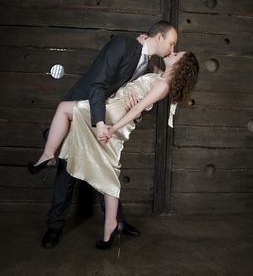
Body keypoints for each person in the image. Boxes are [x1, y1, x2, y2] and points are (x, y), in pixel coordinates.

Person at [28, 21, 178, 248]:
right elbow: (97, 85)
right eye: (172, 43)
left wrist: (132, 109)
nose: (172, 48)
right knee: (67, 169)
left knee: (106, 168)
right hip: (84, 108)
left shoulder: (147, 66)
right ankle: (54, 227)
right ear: (159, 37)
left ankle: (117, 222)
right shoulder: (122, 45)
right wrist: (98, 122)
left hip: (106, 116)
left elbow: (136, 100)